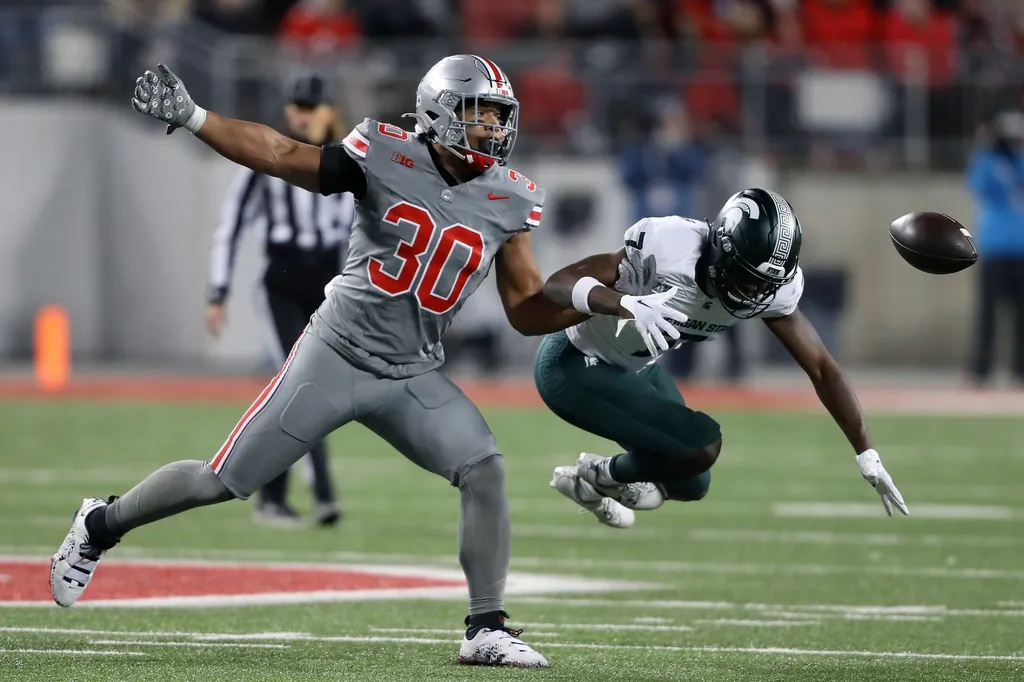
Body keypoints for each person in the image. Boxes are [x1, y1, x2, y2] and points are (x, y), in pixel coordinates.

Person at [50, 54, 590, 668]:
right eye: (480, 115)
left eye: (500, 117)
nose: (494, 129)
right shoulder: (386, 152)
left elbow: (524, 308)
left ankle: (485, 628)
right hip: (334, 353)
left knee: (484, 468)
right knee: (222, 480)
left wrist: (598, 305)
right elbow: (282, 155)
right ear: (440, 111)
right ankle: (101, 523)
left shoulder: (509, 197)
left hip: (410, 372)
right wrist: (197, 117)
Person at [533, 189, 910, 527]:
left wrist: (866, 452)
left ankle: (595, 482)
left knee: (692, 482)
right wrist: (624, 304)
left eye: (766, 284)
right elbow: (558, 284)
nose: (755, 293)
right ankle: (601, 477)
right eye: (748, 279)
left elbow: (823, 368)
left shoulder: (769, 289)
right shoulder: (669, 249)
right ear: (720, 251)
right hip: (575, 364)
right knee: (702, 444)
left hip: (637, 369)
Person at [206, 72, 353, 528]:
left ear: (329, 110)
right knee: (297, 381)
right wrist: (218, 290)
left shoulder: (353, 159)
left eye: (311, 107)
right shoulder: (271, 156)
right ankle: (309, 493)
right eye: (296, 107)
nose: (301, 116)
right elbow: (230, 226)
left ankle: (290, 495)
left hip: (330, 283)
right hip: (283, 282)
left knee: (320, 387)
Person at [966, 110, 1024, 387]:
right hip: (994, 245)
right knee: (987, 314)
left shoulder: (1020, 162)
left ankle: (1019, 370)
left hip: (1019, 247)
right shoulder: (987, 161)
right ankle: (981, 370)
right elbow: (977, 187)